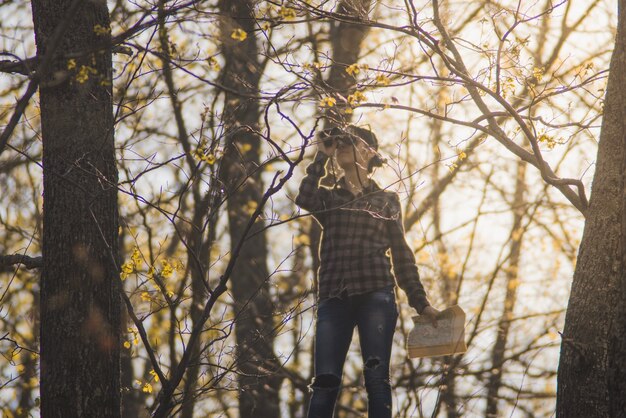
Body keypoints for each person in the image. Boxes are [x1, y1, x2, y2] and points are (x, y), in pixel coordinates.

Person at [295, 125, 440, 418]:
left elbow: (401, 255)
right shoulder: (330, 199)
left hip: (376, 293)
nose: (343, 145)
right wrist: (322, 156)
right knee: (324, 382)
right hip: (334, 297)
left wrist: (420, 302)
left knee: (376, 378)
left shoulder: (387, 201)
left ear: (370, 152)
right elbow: (305, 197)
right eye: (340, 142)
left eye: (352, 141)